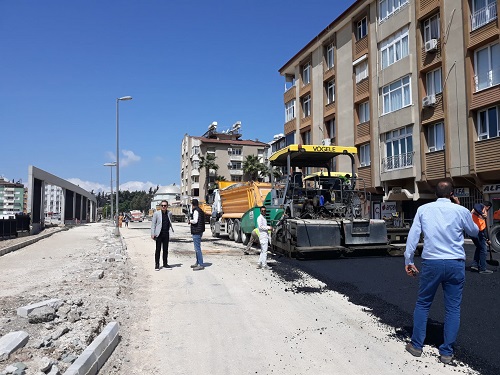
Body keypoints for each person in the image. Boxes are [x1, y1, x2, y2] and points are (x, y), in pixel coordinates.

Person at [404, 180, 479, 364]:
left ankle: (416, 346)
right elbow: (474, 232)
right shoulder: (460, 211)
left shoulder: (423, 209)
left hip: (432, 262)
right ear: (452, 193)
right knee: (453, 308)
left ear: (435, 193)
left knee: (423, 304)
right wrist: (462, 210)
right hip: (455, 263)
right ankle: (446, 352)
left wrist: (409, 259)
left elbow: (413, 235)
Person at [470, 201, 493, 274]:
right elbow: (476, 206)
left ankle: (475, 265)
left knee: (479, 247)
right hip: (476, 232)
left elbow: (483, 227)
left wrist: (487, 239)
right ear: (488, 207)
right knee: (483, 249)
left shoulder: (483, 212)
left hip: (476, 232)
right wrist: (482, 213)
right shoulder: (480, 206)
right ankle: (483, 268)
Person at [151, 200, 174, 271]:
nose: (163, 207)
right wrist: (152, 233)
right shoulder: (156, 214)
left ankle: (165, 263)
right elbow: (153, 224)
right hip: (159, 234)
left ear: (167, 206)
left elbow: (170, 221)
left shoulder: (169, 213)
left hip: (166, 233)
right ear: (160, 206)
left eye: (165, 205)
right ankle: (157, 265)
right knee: (158, 250)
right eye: (162, 205)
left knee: (165, 250)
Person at [189, 199, 205, 271]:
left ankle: (200, 264)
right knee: (197, 248)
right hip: (200, 230)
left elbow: (195, 221)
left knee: (197, 248)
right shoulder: (200, 210)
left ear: (192, 205)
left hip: (196, 231)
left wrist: (190, 221)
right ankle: (197, 262)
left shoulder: (195, 211)